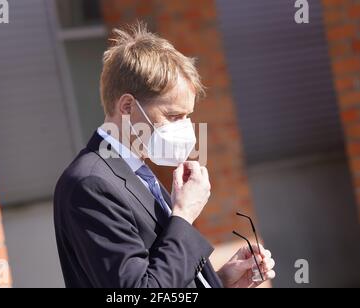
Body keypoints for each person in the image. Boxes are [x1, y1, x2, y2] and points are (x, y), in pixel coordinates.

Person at [54, 23, 275, 288]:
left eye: (187, 116)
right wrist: (183, 214)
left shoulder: (136, 173)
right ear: (127, 106)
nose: (184, 127)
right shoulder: (90, 183)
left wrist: (220, 281)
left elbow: (161, 276)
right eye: (173, 116)